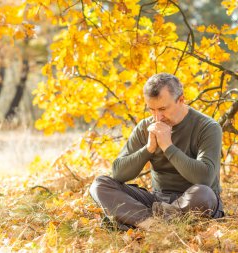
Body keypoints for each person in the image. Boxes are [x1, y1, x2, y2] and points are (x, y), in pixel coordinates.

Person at [89, 73, 224, 230]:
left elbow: (205, 177)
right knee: (100, 185)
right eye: (152, 109)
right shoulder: (145, 127)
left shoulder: (207, 127)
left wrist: (168, 147)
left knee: (204, 194)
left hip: (192, 199)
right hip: (157, 201)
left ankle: (133, 221)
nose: (157, 117)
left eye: (162, 109)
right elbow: (118, 173)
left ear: (181, 100)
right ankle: (152, 223)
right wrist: (148, 149)